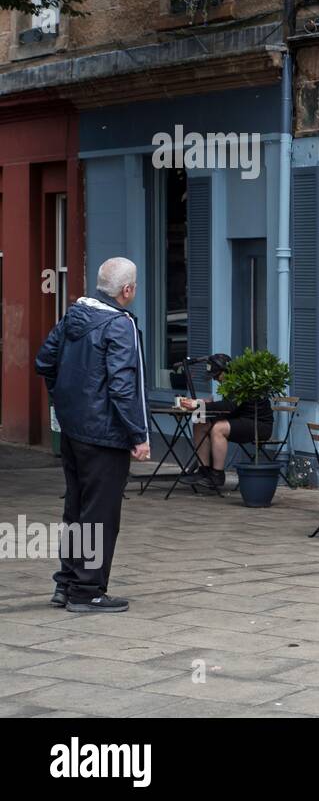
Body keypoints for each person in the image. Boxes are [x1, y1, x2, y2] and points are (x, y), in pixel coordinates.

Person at [35, 257, 150, 613]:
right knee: (100, 513)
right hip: (104, 434)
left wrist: (65, 402)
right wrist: (138, 435)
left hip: (73, 429)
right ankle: (87, 592)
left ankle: (67, 584)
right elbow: (123, 385)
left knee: (76, 507)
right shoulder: (120, 324)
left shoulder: (74, 316)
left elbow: (44, 361)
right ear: (127, 290)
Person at [178, 353, 273, 490]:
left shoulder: (239, 381)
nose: (216, 380)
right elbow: (230, 406)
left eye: (217, 376)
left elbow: (229, 407)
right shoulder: (230, 381)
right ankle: (203, 471)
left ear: (226, 371)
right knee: (200, 422)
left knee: (218, 428)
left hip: (259, 424)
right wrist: (205, 404)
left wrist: (198, 405)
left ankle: (217, 475)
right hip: (241, 419)